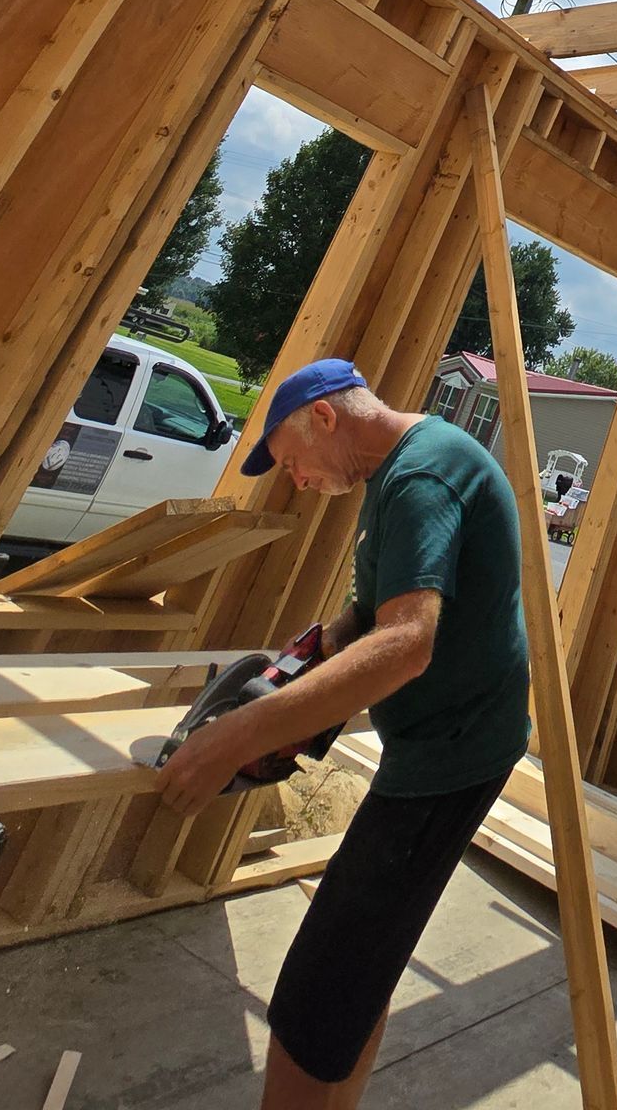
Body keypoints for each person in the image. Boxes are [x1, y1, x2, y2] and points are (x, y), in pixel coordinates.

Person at [157, 359, 530, 1109]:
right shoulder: (399, 470)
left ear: (325, 418)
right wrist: (310, 656)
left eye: (293, 462)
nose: (295, 481)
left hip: (450, 756)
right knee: (361, 967)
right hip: (441, 740)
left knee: (316, 995)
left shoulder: (421, 481)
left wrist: (237, 737)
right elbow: (374, 615)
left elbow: (408, 642)